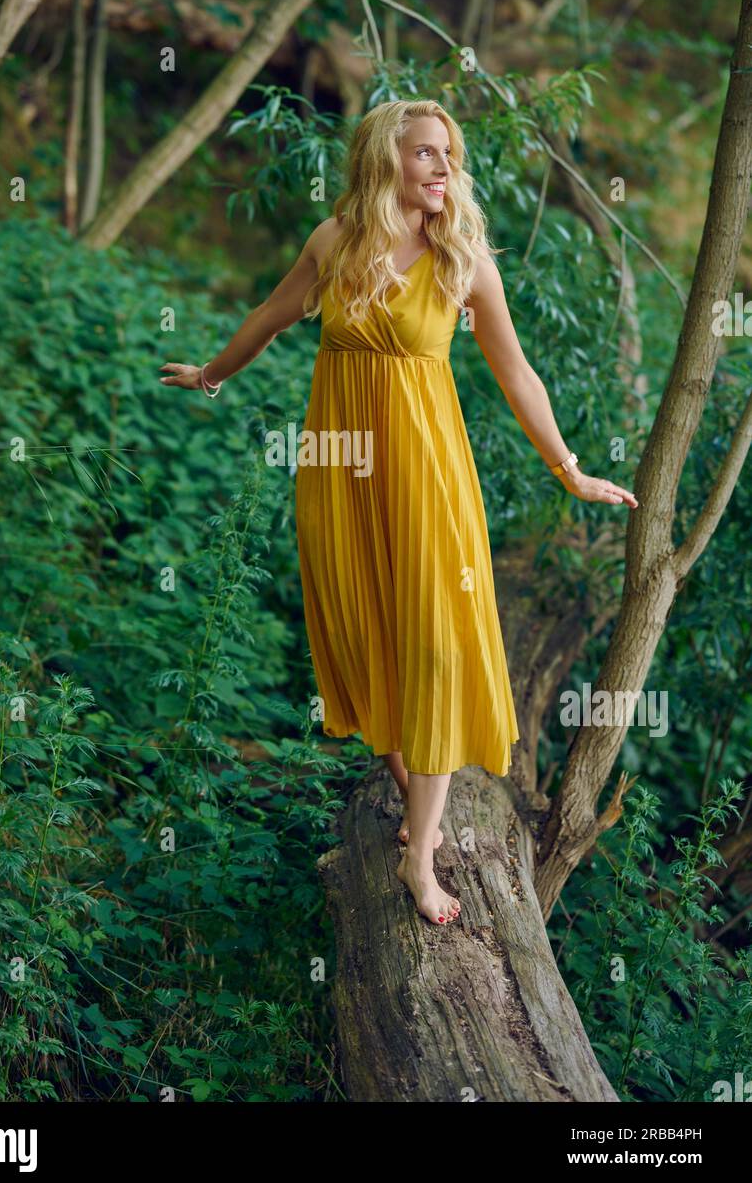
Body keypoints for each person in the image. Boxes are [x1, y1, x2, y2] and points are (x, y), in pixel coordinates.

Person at [160, 97, 639, 928]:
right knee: (359, 625)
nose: (443, 167)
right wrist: (211, 373)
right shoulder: (335, 243)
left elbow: (518, 375)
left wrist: (569, 469)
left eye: (449, 154)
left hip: (426, 470)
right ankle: (407, 779)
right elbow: (273, 317)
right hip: (339, 468)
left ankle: (420, 858)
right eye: (426, 152)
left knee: (439, 639)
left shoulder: (465, 261)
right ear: (387, 159)